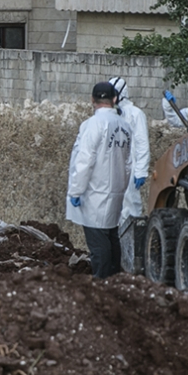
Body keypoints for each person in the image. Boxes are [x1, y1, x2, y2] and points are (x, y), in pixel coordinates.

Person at [67, 82, 133, 279]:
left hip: (95, 191)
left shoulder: (93, 124)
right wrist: (123, 185)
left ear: (92, 100)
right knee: (112, 236)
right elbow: (129, 163)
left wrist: (76, 190)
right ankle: (115, 278)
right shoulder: (125, 126)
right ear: (114, 100)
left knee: (98, 242)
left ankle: (102, 282)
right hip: (116, 191)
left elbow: (84, 160)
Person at [108, 77, 150, 225]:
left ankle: (131, 244)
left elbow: (142, 143)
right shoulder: (110, 115)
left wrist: (141, 171)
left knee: (131, 207)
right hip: (113, 168)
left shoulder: (135, 114)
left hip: (130, 169)